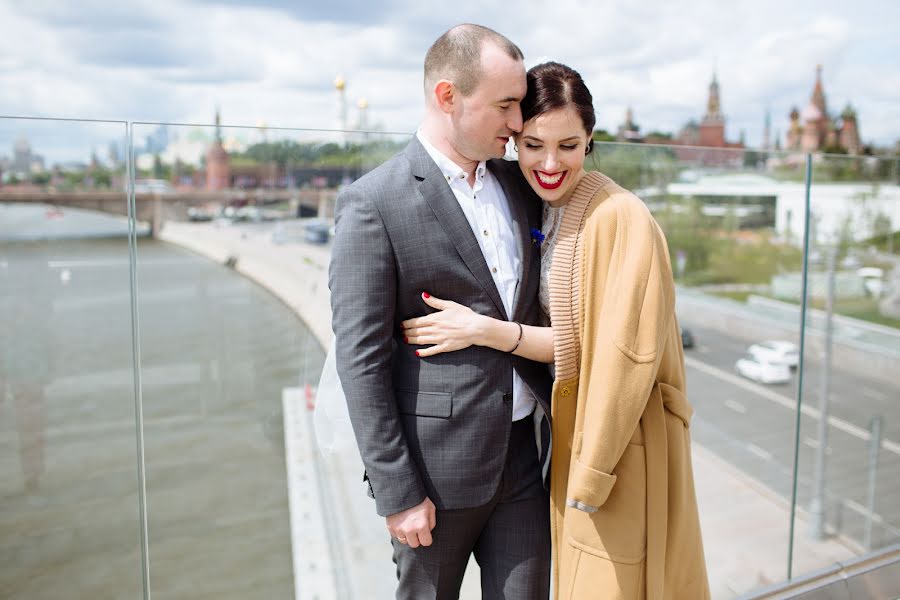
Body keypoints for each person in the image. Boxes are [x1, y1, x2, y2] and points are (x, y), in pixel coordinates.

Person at [401, 62, 710, 599]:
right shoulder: (547, 207)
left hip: (618, 451)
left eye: (568, 145)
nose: (549, 162)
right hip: (575, 445)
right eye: (533, 144)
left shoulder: (621, 217)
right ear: (512, 142)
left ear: (591, 139)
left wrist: (483, 330)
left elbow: (614, 356)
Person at [328, 24, 554, 599]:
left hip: (527, 459)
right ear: (447, 96)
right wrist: (398, 491)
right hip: (434, 478)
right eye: (505, 106)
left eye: (520, 106)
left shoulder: (520, 180)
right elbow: (361, 362)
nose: (517, 124)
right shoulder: (374, 203)